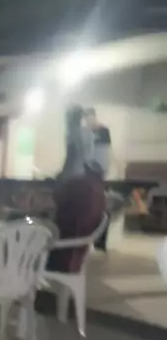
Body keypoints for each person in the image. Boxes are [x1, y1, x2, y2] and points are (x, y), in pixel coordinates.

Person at [48, 106, 105, 273]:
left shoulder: (72, 133)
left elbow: (71, 157)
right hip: (82, 178)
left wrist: (60, 176)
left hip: (73, 179)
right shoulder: (88, 133)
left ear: (71, 118)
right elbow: (89, 159)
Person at [84, 107, 111, 180]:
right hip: (88, 168)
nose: (89, 122)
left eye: (91, 119)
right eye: (87, 120)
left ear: (94, 118)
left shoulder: (103, 130)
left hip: (100, 166)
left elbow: (106, 151)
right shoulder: (85, 133)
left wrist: (106, 168)